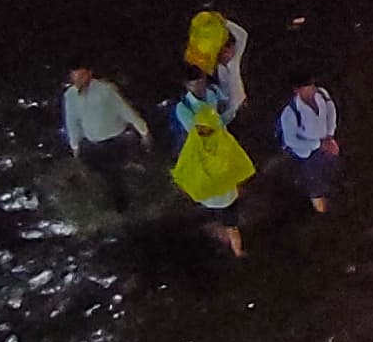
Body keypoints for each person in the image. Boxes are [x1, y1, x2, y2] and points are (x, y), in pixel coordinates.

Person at [169, 75, 255, 257]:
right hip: (217, 197)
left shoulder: (212, 97)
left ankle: (235, 249)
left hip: (218, 197)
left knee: (230, 222)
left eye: (201, 80)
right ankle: (234, 249)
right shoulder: (185, 111)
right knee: (229, 222)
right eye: (194, 82)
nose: (199, 85)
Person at [61, 66, 156, 209]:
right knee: (104, 177)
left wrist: (143, 130)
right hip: (94, 143)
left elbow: (125, 110)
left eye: (81, 76)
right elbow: (72, 121)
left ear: (89, 74)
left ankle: (132, 201)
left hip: (116, 140)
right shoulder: (70, 96)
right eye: (75, 77)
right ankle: (114, 204)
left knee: (119, 173)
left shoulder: (105, 90)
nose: (78, 80)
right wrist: (74, 145)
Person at [275, 75, 341, 215]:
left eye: (312, 86)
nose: (311, 91)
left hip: (326, 148)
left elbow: (331, 112)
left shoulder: (322, 94)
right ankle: (321, 211)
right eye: (307, 88)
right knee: (315, 185)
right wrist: (318, 144)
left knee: (332, 174)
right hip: (307, 156)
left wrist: (329, 136)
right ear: (297, 91)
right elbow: (291, 140)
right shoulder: (290, 113)